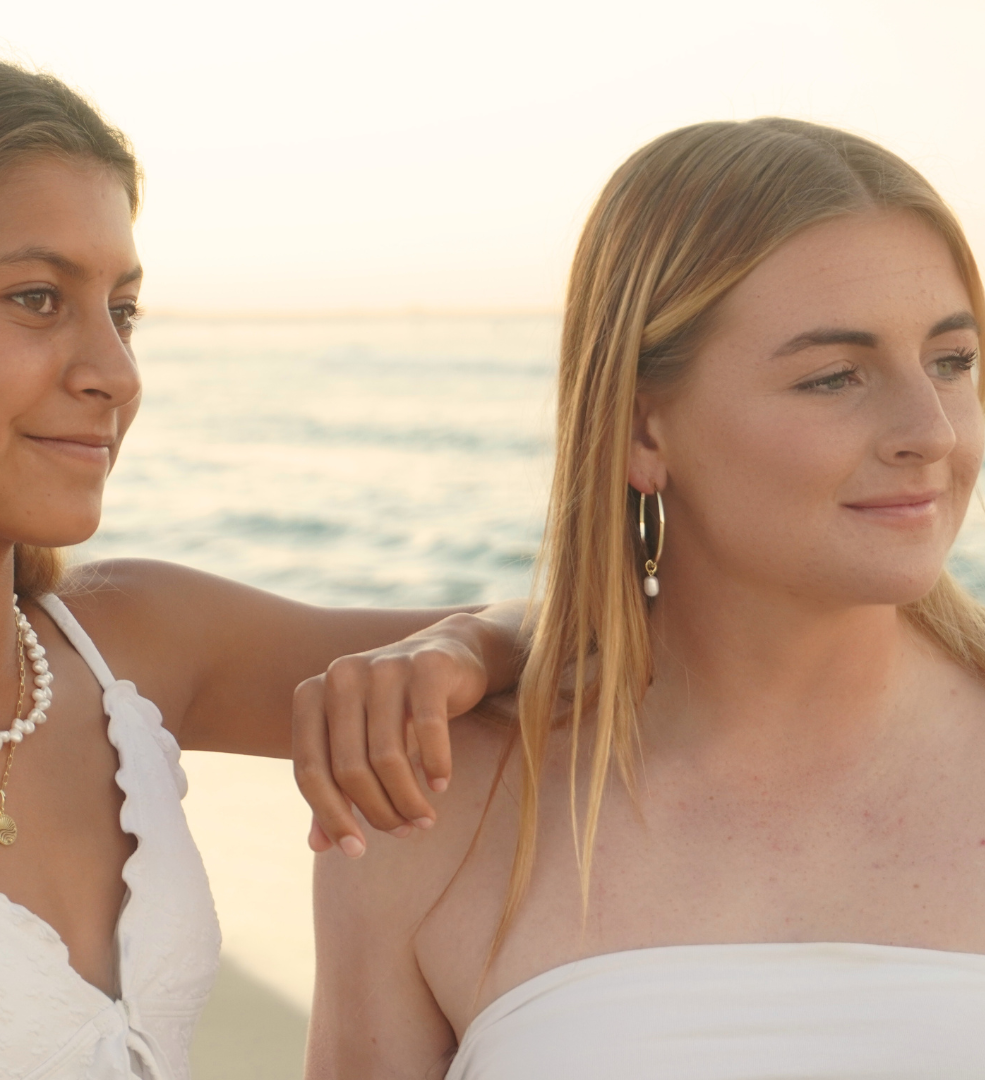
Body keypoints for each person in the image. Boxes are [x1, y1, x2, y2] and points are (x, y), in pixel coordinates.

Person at [309, 117, 985, 1078]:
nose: (934, 430)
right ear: (640, 432)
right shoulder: (435, 811)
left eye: (953, 361)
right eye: (835, 377)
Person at [0, 42, 525, 1079]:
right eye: (38, 299)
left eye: (123, 312)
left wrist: (470, 647)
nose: (115, 373)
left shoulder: (132, 643)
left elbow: (614, 640)